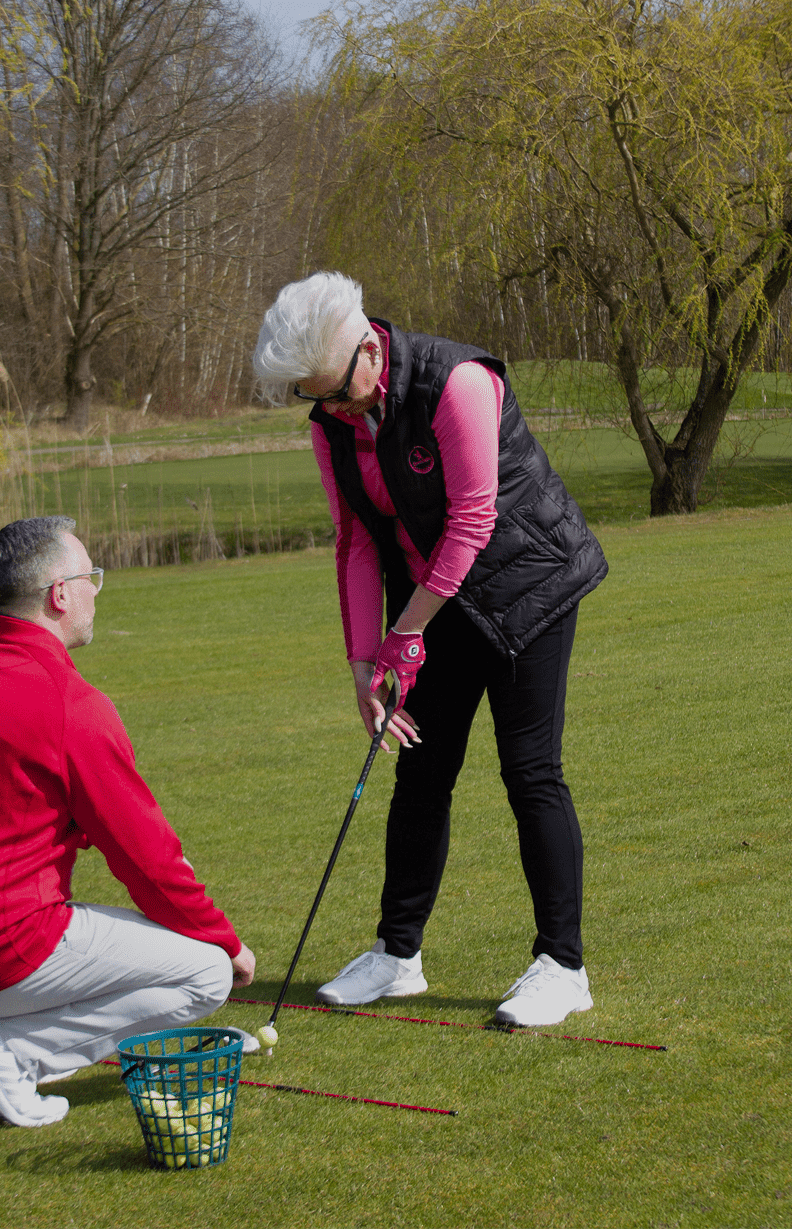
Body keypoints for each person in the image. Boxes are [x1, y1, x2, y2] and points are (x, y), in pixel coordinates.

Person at [251, 272, 609, 1027]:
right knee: (420, 770)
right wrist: (362, 666)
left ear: (367, 353)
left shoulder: (458, 381)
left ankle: (562, 965)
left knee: (530, 770)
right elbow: (353, 540)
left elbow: (474, 521)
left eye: (335, 392)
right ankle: (396, 954)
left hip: (527, 586)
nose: (330, 410)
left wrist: (404, 632)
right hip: (435, 596)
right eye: (313, 399)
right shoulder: (333, 421)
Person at [0, 517, 256, 1127]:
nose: (97, 590)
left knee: (137, 945)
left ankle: (13, 1045)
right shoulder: (69, 703)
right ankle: (7, 1054)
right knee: (203, 974)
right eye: (91, 577)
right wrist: (226, 943)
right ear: (60, 593)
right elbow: (147, 858)